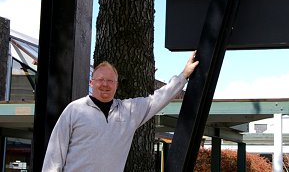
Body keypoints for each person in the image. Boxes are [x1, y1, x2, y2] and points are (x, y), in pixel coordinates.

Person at [42, 51, 199, 172]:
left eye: (110, 81)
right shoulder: (74, 110)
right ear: (91, 82)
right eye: (100, 80)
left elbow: (158, 99)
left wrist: (184, 75)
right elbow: (55, 155)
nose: (105, 84)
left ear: (116, 85)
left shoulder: (129, 112)